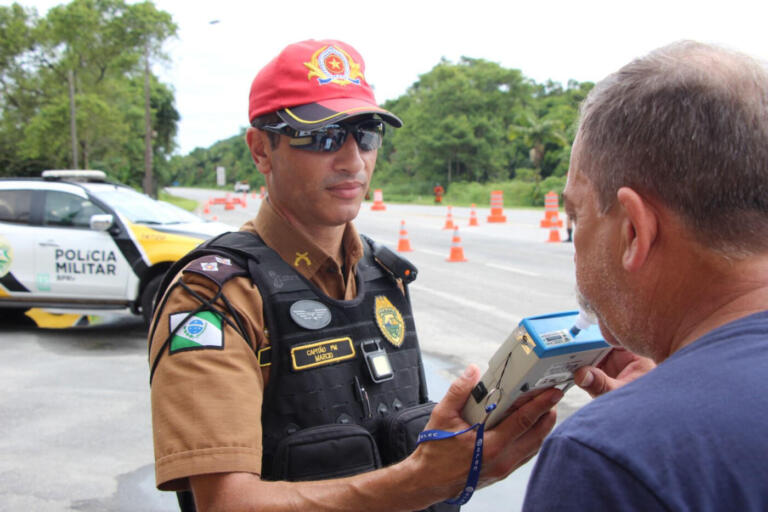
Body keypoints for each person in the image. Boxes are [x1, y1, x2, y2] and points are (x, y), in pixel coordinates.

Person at [148, 39, 562, 512]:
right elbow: (226, 503)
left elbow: (404, 454)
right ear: (262, 150)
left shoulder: (384, 275)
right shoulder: (214, 297)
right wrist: (423, 481)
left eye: (365, 134)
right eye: (322, 136)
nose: (352, 159)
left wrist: (471, 459)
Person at [523, 40, 768, 511]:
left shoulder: (608, 460)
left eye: (576, 218)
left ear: (634, 231)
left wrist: (643, 426)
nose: (574, 243)